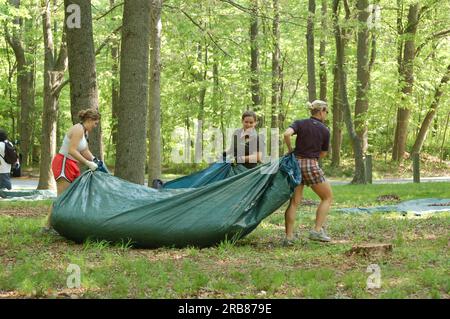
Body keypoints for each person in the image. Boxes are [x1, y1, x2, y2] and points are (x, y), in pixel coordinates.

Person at [282, 100, 333, 245]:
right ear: (321, 110)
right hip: (310, 164)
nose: (326, 115)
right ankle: (316, 231)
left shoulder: (300, 123)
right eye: (326, 112)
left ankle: (289, 237)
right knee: (327, 197)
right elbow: (323, 154)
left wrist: (291, 149)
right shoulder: (325, 130)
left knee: (294, 202)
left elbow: (286, 134)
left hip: (295, 165)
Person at [43, 108, 101, 232]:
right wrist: (87, 163)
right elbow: (72, 150)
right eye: (95, 123)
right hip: (63, 162)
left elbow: (84, 150)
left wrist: (94, 159)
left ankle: (65, 225)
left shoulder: (85, 132)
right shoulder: (78, 129)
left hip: (72, 164)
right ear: (90, 120)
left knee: (72, 195)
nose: (95, 126)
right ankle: (48, 227)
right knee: (62, 196)